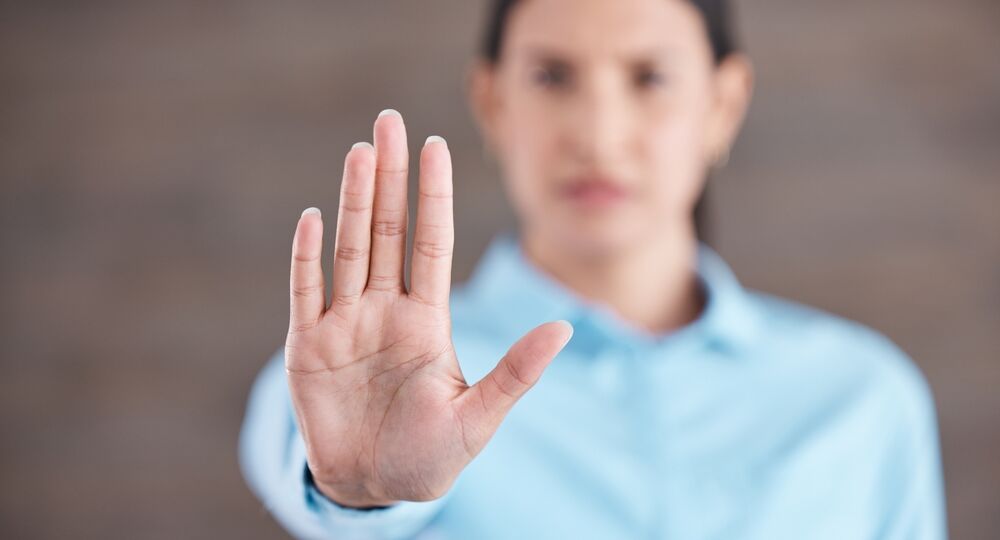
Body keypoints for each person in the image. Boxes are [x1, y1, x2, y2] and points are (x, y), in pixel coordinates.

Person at [239, 0, 947, 538]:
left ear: (723, 105)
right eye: (552, 75)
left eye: (651, 77)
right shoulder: (360, 379)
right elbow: (310, 453)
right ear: (492, 101)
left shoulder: (863, 400)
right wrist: (359, 491)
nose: (600, 133)